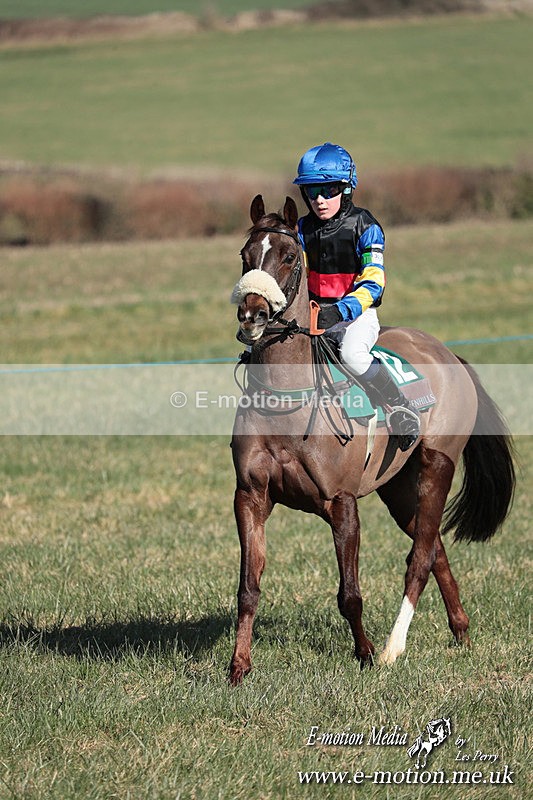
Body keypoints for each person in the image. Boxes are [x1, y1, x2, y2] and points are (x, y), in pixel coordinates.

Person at [293, 142, 420, 451]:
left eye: (329, 190)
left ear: (347, 188)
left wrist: (340, 311)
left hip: (356, 316)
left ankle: (401, 408)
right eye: (312, 191)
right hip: (313, 315)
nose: (320, 200)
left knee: (352, 355)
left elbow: (374, 282)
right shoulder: (301, 229)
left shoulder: (366, 226)